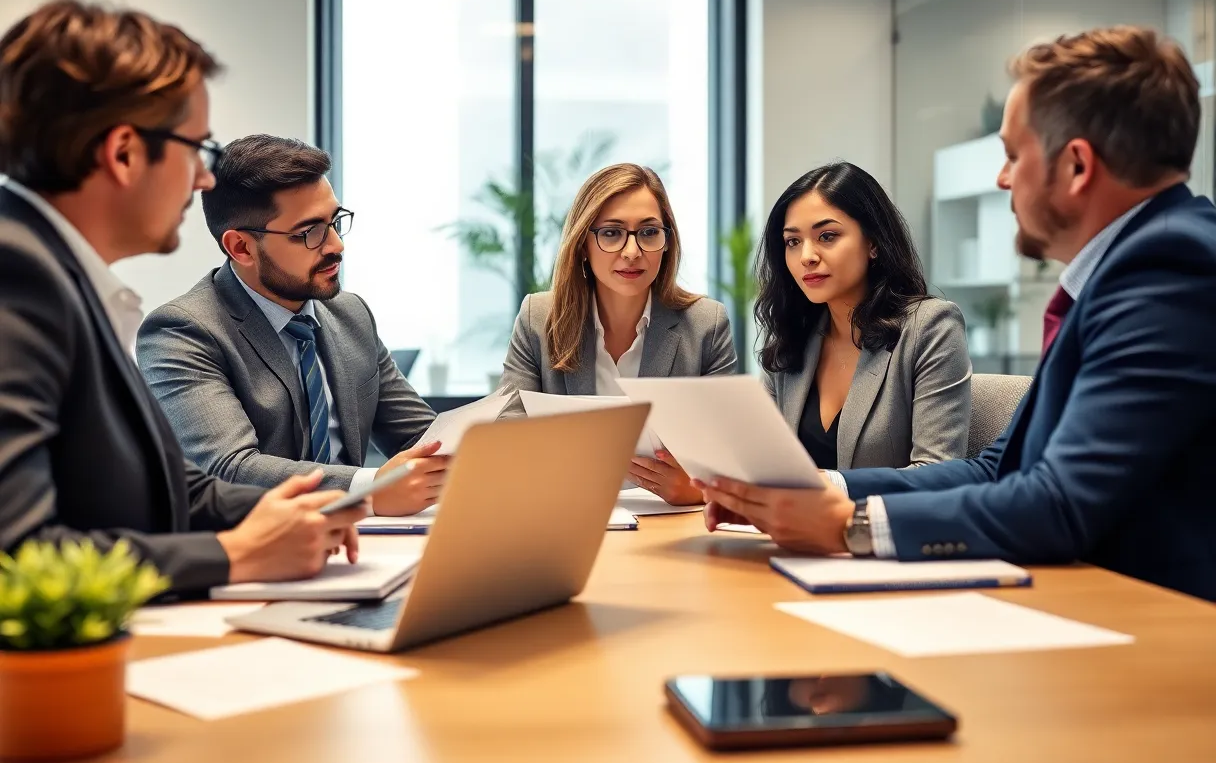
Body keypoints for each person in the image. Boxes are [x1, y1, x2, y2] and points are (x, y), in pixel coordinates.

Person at [698, 25, 1216, 603]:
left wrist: (851, 526)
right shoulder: (1124, 271)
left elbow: (1060, 503)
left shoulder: (1170, 267)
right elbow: (997, 470)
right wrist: (826, 488)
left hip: (1157, 622)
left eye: (1014, 155)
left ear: (1076, 166)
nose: (1001, 179)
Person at [0, 0, 366, 595]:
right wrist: (232, 556)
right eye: (197, 148)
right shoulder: (18, 278)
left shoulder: (60, 275)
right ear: (123, 153)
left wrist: (290, 510)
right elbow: (17, 552)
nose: (203, 178)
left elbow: (166, 489)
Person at [137, 135, 445, 516]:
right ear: (241, 248)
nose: (336, 245)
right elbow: (229, 469)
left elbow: (424, 438)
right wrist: (369, 489)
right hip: (259, 552)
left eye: (334, 221)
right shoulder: (182, 332)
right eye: (309, 232)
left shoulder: (350, 314)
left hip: (366, 542)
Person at [498, 163, 737, 505]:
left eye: (648, 232)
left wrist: (697, 490)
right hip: (562, 513)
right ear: (583, 244)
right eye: (611, 233)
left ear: (667, 242)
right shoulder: (539, 317)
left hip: (668, 525)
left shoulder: (705, 324)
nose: (631, 252)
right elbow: (507, 438)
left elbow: (726, 456)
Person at [756, 162, 970, 470]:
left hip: (882, 519)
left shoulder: (932, 328)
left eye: (827, 236)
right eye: (793, 241)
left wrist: (831, 492)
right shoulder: (791, 337)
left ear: (873, 243)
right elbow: (763, 462)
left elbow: (936, 472)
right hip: (791, 519)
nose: (806, 257)